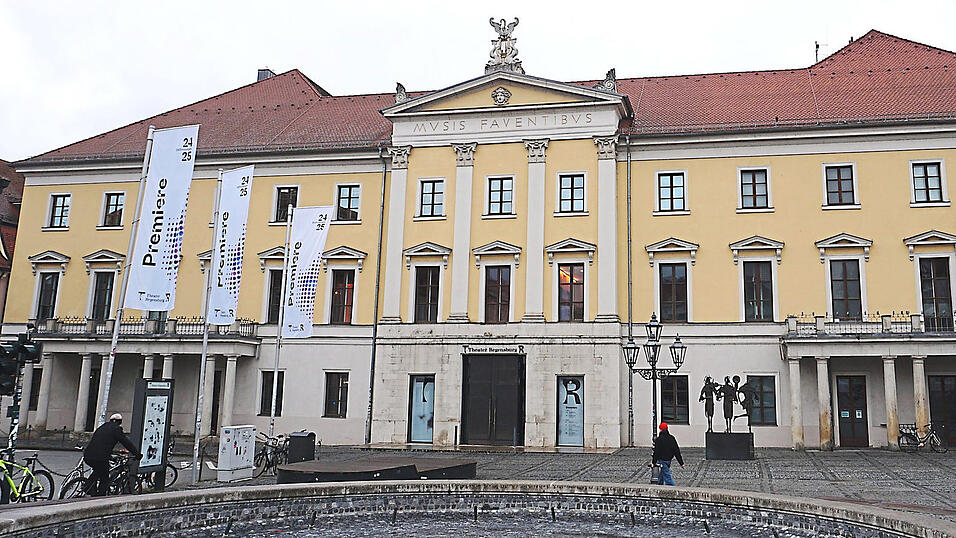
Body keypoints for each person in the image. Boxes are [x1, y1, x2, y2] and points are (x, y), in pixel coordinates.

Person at [83, 413, 141, 496]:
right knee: (104, 477)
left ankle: (89, 487)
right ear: (120, 422)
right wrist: (136, 454)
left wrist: (109, 456)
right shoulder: (116, 429)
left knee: (98, 471)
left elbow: (101, 443)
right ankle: (100, 496)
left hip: (88, 455)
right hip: (100, 457)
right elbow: (126, 443)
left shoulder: (102, 427)